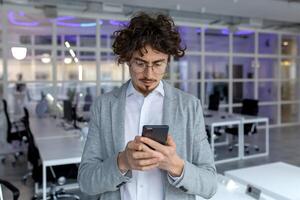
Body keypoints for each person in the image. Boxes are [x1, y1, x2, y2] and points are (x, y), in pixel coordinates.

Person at [78, 12, 217, 200]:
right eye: (140, 63)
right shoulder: (104, 107)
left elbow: (210, 185)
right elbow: (86, 181)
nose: (149, 74)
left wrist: (175, 165)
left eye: (158, 64)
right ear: (128, 60)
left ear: (168, 61)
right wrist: (122, 162)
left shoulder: (189, 107)